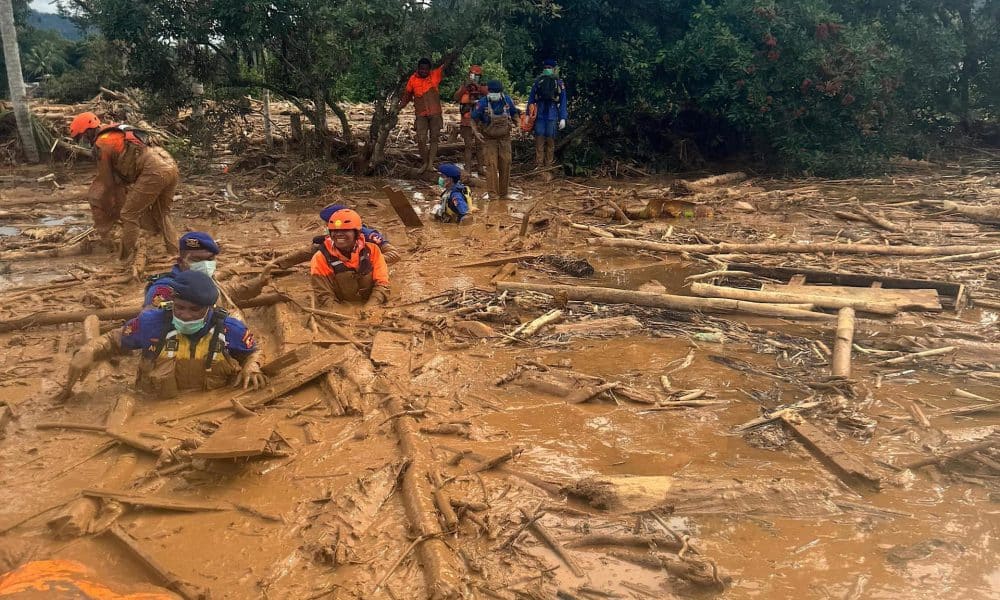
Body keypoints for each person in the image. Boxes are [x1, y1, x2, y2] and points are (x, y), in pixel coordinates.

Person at [62, 270, 267, 400]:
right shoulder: (150, 323)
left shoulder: (230, 329)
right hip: (151, 403)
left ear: (210, 308)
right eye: (179, 308)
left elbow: (253, 351)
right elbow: (112, 341)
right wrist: (90, 350)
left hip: (212, 402)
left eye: (194, 310)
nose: (185, 316)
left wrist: (252, 365)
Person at [68, 112, 180, 263]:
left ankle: (125, 258)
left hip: (153, 171)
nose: (85, 143)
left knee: (128, 214)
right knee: (162, 213)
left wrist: (106, 206)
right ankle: (175, 252)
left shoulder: (102, 143)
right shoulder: (115, 130)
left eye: (82, 138)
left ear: (88, 131)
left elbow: (107, 183)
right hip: (169, 164)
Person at [143, 231, 271, 309]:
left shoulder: (209, 280)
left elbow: (229, 294)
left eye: (210, 259)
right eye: (197, 260)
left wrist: (260, 282)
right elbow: (152, 324)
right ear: (181, 262)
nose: (205, 265)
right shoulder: (165, 289)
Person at [310, 209, 390, 308]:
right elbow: (324, 296)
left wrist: (370, 308)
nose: (338, 234)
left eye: (345, 230)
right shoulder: (320, 258)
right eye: (334, 230)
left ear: (357, 233)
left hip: (370, 301)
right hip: (340, 304)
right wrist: (345, 316)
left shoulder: (372, 250)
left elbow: (382, 283)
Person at [471, 80, 520, 199]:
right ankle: (493, 195)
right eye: (492, 92)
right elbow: (473, 119)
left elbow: (514, 114)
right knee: (491, 165)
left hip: (505, 139)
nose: (494, 94)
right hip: (489, 140)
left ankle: (504, 194)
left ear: (501, 92)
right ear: (488, 91)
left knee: (506, 163)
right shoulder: (482, 103)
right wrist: (476, 133)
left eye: (496, 92)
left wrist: (518, 126)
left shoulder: (507, 100)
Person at [399, 58, 445, 173]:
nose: (424, 71)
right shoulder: (412, 79)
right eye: (421, 69)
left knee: (434, 138)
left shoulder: (434, 75)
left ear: (429, 70)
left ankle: (430, 164)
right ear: (418, 69)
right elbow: (407, 96)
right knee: (421, 138)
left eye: (426, 69)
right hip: (421, 114)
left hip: (435, 113)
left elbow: (446, 63)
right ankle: (425, 162)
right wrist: (398, 108)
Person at [526, 59, 569, 167]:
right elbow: (531, 99)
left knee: (550, 139)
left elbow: (563, 101)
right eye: (545, 68)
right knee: (539, 139)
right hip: (540, 114)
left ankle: (548, 165)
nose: (547, 69)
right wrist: (527, 114)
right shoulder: (538, 82)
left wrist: (563, 117)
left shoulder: (559, 83)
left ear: (554, 69)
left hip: (552, 114)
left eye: (549, 68)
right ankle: (539, 164)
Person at [453, 65, 488, 173]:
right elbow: (456, 97)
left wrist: (477, 87)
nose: (474, 77)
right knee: (468, 145)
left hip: (479, 121)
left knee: (480, 145)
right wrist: (465, 88)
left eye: (477, 76)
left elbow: (488, 95)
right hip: (466, 121)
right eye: (473, 75)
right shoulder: (464, 87)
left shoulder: (483, 87)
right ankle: (467, 168)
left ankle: (480, 167)